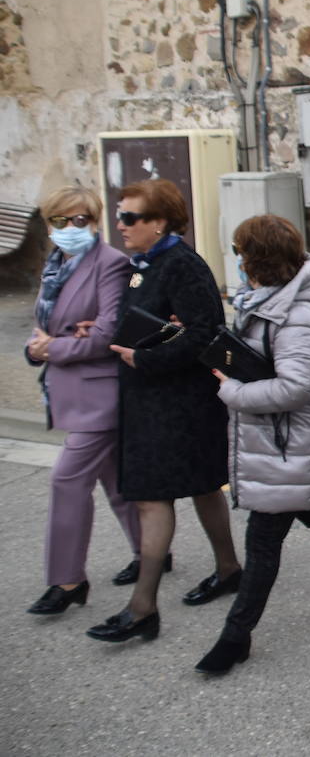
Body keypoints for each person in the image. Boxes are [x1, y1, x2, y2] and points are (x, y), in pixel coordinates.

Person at [194, 215, 310, 675]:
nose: (237, 261)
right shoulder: (270, 302)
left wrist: (232, 393)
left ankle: (235, 637)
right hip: (282, 439)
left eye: (241, 253)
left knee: (262, 543)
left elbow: (293, 387)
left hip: (291, 439)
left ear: (257, 260)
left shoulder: (297, 316)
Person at [87, 179, 242, 644]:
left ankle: (142, 609)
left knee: (155, 499)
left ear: (159, 223)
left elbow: (205, 334)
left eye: (130, 218)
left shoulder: (182, 265)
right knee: (202, 487)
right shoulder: (145, 264)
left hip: (179, 406)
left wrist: (145, 358)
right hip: (151, 403)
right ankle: (230, 567)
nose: (121, 225)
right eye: (120, 215)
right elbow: (144, 321)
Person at [24, 187, 142, 616]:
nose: (72, 229)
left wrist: (52, 348)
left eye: (81, 221)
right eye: (62, 221)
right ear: (49, 223)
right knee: (115, 480)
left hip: (101, 393)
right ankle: (151, 551)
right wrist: (40, 346)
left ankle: (68, 579)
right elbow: (43, 325)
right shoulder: (56, 264)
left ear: (94, 222)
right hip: (72, 389)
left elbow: (106, 335)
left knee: (67, 480)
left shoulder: (110, 264)